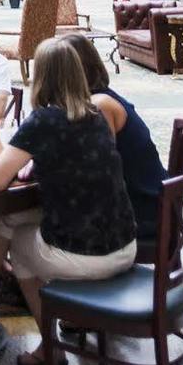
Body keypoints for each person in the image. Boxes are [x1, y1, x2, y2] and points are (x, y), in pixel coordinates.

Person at [0, 37, 137, 365]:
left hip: (89, 257)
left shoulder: (45, 121)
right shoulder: (97, 113)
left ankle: (50, 349)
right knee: (10, 217)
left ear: (41, 77)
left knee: (20, 245)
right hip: (124, 243)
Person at [63, 32, 167, 244]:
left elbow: (100, 173)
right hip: (148, 205)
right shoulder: (102, 97)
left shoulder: (100, 105)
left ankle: (23, 274)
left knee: (35, 227)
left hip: (143, 216)